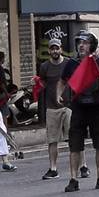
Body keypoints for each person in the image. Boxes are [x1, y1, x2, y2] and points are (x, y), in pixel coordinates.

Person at [59, 30, 99, 192]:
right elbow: (63, 82)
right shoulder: (72, 63)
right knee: (75, 145)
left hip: (98, 107)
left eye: (85, 42)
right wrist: (59, 94)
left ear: (92, 45)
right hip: (78, 107)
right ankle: (73, 179)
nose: (81, 45)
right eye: (79, 42)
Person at [38, 40, 68, 180]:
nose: (55, 51)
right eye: (52, 49)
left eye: (57, 48)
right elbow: (42, 82)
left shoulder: (68, 64)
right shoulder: (44, 66)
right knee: (52, 140)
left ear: (61, 49)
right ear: (49, 51)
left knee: (74, 138)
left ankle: (83, 166)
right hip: (51, 107)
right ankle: (53, 168)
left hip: (68, 106)